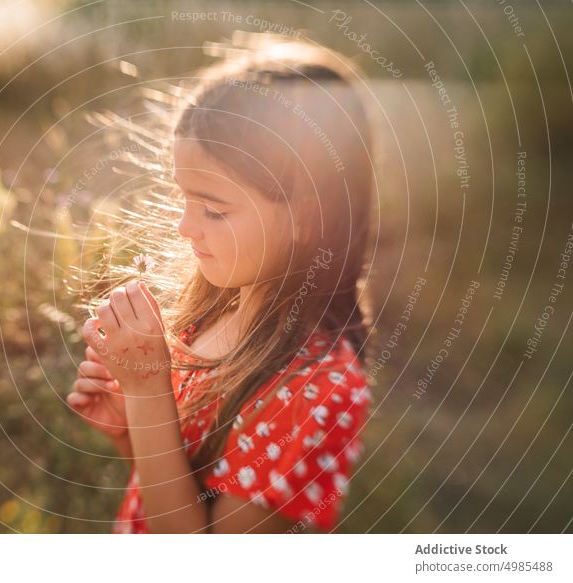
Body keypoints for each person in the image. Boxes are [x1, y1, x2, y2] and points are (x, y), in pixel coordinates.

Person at [67, 37, 376, 533]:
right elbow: (180, 499)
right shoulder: (215, 315)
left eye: (213, 208)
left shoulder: (317, 386)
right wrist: (134, 429)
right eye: (184, 198)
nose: (185, 227)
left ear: (309, 213)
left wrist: (149, 394)